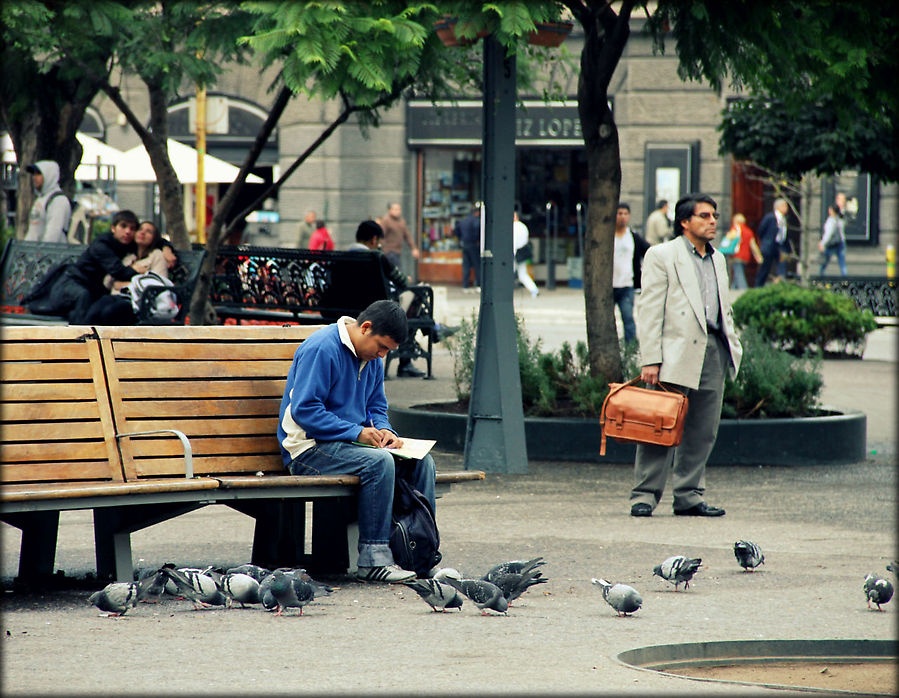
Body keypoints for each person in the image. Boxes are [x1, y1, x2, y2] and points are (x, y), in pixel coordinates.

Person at [278, 299, 437, 583]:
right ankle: (373, 559)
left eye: (388, 351)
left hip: (349, 446)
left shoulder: (372, 357)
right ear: (365, 328)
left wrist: (387, 431)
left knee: (423, 462)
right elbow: (305, 410)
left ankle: (420, 555)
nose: (382, 355)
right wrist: (356, 432)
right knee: (379, 464)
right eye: (382, 347)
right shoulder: (322, 348)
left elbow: (376, 406)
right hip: (308, 449)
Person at [629, 193, 743, 518]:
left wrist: (732, 345)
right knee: (661, 425)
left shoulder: (718, 259)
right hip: (674, 353)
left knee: (703, 429)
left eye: (714, 216)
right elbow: (649, 310)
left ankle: (689, 495)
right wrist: (650, 358)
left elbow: (722, 306)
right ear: (685, 222)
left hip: (713, 349)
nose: (712, 222)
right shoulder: (661, 255)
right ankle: (645, 495)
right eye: (704, 216)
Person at [350, 220, 455, 377]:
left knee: (412, 302)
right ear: (373, 239)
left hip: (341, 309)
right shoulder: (377, 257)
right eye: (378, 241)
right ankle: (429, 335)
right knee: (418, 293)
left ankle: (433, 330)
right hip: (378, 310)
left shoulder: (341, 256)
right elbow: (403, 282)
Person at [37, 209, 141, 324]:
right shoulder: (101, 245)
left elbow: (155, 240)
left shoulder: (128, 245)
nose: (128, 231)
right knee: (84, 298)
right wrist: (138, 272)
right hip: (70, 285)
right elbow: (118, 271)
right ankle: (79, 337)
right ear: (113, 228)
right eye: (123, 226)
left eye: (132, 228)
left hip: (93, 290)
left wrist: (164, 245)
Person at [83, 220, 176, 324]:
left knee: (109, 312)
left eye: (149, 231)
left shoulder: (157, 255)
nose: (142, 233)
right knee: (94, 311)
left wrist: (124, 285)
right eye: (140, 229)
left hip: (138, 303)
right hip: (116, 296)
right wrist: (132, 271)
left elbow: (157, 285)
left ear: (154, 238)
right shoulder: (129, 256)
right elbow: (108, 282)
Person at [613, 202, 651, 345]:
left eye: (625, 214)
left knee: (628, 318)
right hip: (608, 285)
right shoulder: (607, 236)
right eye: (619, 213)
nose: (622, 217)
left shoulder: (633, 237)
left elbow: (649, 252)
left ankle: (631, 349)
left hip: (626, 285)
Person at [24, 160, 72, 244]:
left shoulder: (58, 201)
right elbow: (33, 232)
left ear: (49, 175)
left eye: (38, 174)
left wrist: (41, 254)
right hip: (35, 254)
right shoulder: (41, 199)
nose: (34, 177)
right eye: (34, 174)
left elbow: (52, 235)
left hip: (53, 255)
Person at [754, 198, 789, 287]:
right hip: (769, 245)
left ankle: (781, 285)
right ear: (778, 207)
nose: (786, 208)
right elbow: (761, 230)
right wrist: (766, 241)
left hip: (781, 245)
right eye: (784, 205)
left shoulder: (785, 219)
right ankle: (758, 286)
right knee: (765, 268)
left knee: (782, 266)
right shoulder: (770, 217)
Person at [377, 202, 419, 273]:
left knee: (396, 271)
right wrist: (385, 249)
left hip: (397, 251)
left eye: (399, 209)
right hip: (389, 251)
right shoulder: (386, 221)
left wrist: (413, 248)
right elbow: (381, 236)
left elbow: (407, 235)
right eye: (395, 209)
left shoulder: (401, 221)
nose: (397, 211)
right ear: (390, 210)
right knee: (396, 271)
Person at [725, 213, 763, 289]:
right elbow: (753, 246)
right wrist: (758, 256)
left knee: (739, 275)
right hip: (746, 256)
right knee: (737, 274)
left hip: (736, 255)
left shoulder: (735, 229)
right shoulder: (749, 231)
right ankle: (732, 291)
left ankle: (743, 291)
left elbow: (727, 242)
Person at [454, 203, 482, 291]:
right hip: (474, 244)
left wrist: (460, 238)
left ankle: (465, 285)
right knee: (477, 265)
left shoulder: (463, 220)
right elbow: (478, 232)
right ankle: (478, 284)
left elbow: (456, 230)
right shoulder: (477, 221)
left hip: (465, 244)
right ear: (477, 212)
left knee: (466, 266)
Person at [513, 210, 539, 298]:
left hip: (515, 252)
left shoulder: (514, 227)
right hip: (522, 253)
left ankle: (502, 292)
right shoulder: (523, 227)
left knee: (508, 272)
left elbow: (514, 242)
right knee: (522, 273)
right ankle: (534, 290)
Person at [819, 204, 848, 276]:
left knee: (825, 261)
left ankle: (820, 276)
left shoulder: (831, 221)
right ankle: (845, 278)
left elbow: (828, 234)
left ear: (832, 211)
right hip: (840, 243)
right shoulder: (840, 219)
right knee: (842, 263)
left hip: (831, 244)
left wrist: (822, 243)